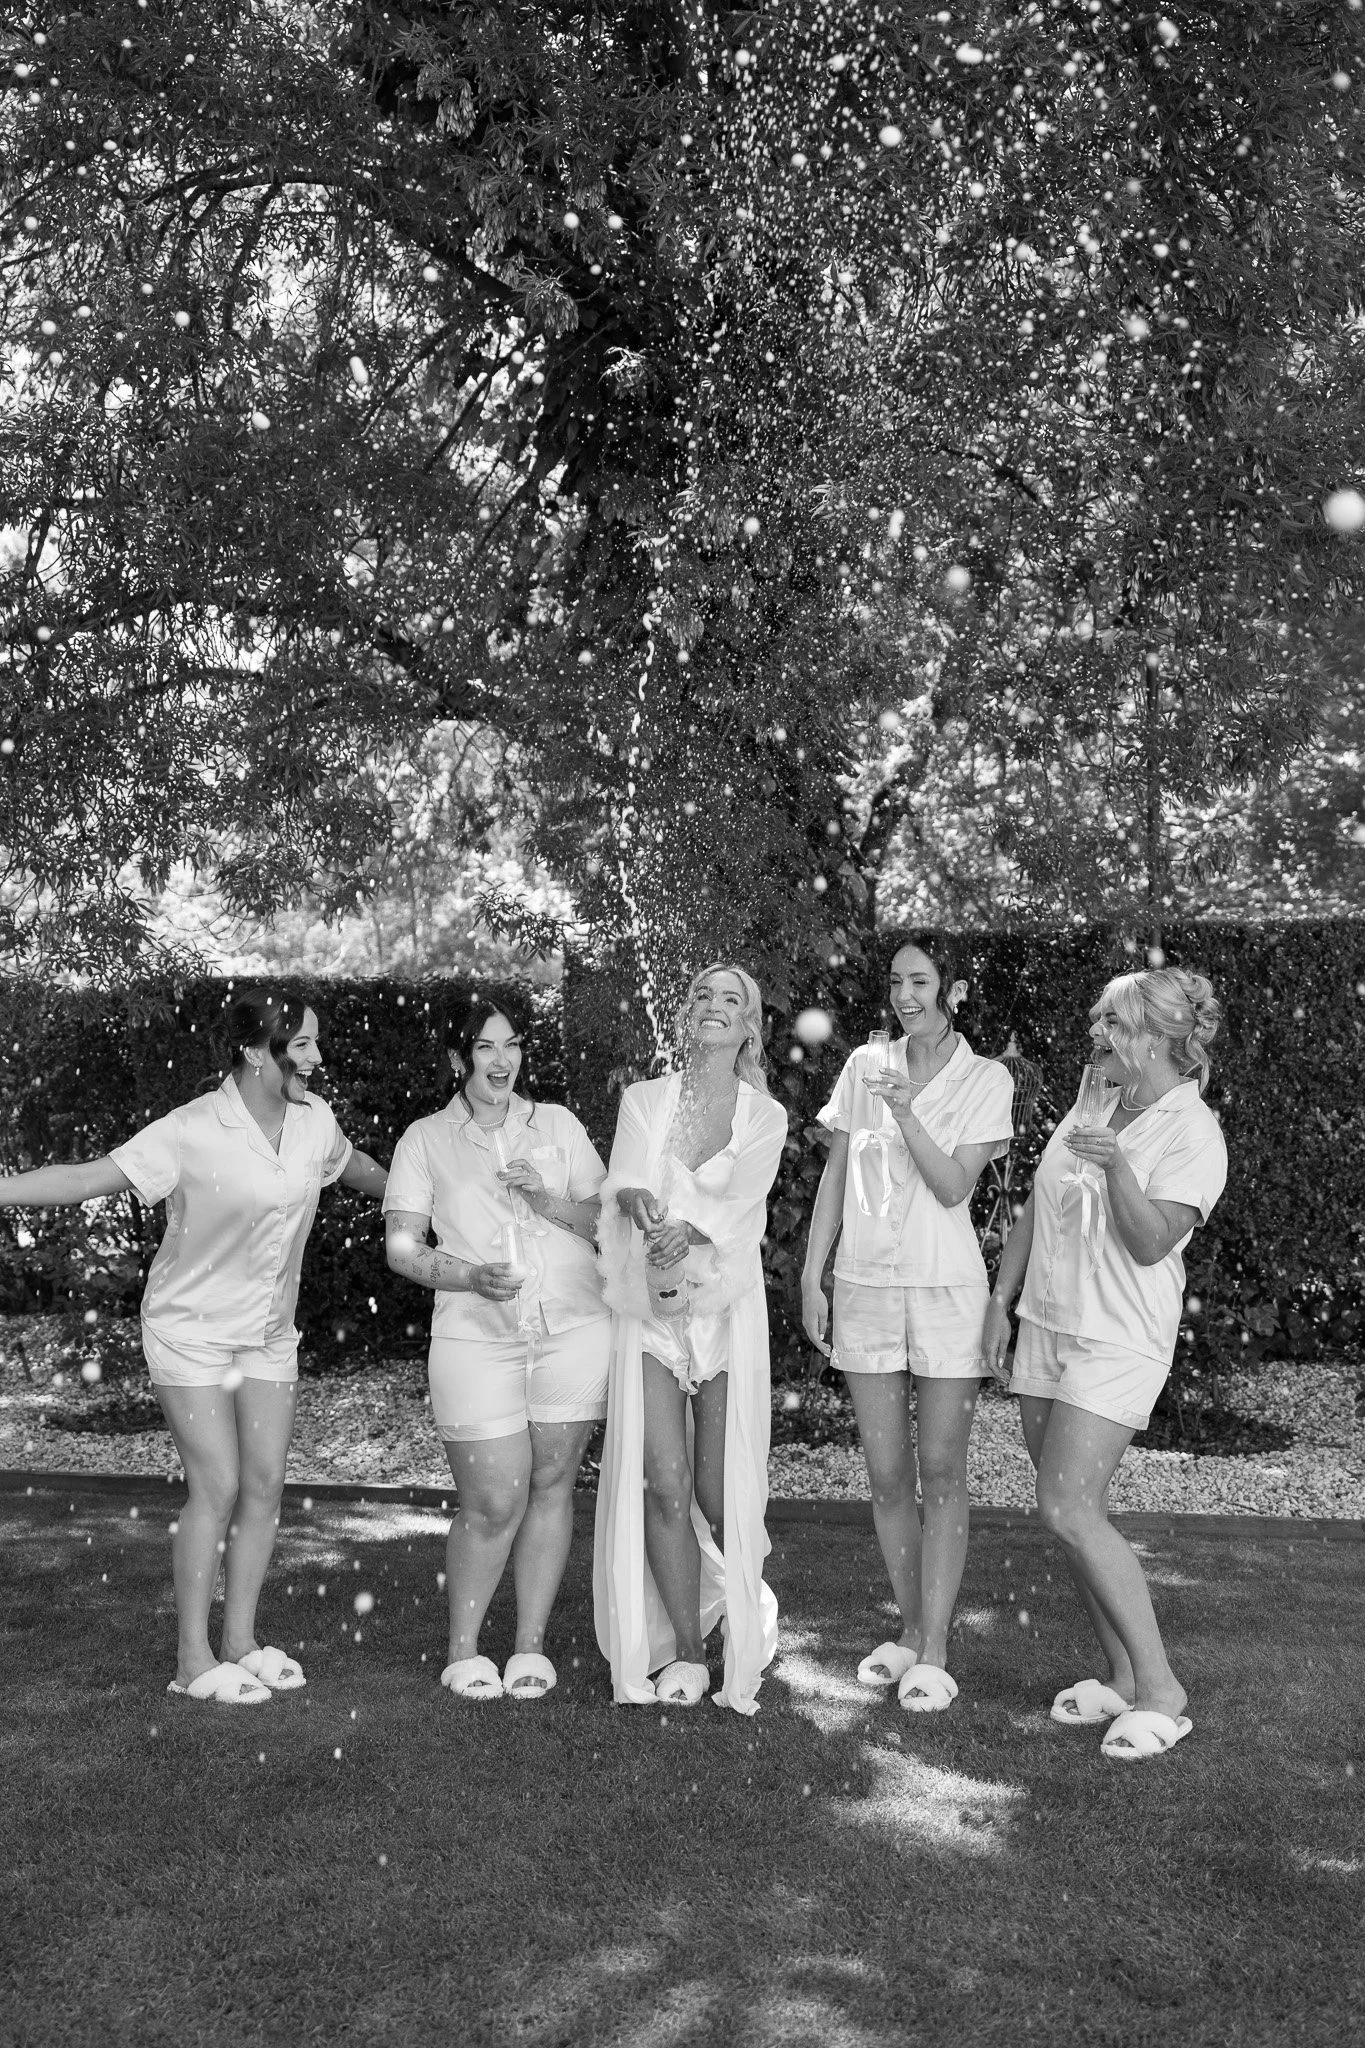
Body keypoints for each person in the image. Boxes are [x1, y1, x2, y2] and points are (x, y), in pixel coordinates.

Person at [0, 992, 388, 1704]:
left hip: (267, 1333)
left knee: (265, 1485)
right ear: (254, 1051)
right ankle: (192, 1659)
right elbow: (88, 1178)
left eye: (315, 1042)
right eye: (300, 1044)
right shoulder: (190, 1130)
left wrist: (416, 1196)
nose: (315, 1057)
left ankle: (239, 1642)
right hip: (191, 1329)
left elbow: (353, 1164)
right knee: (219, 1484)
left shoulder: (314, 1121)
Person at [983, 965, 1227, 1762]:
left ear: (1153, 1039)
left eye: (1112, 1023)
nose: (1096, 1034)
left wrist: (1116, 1162)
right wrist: (1000, 1299)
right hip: (1046, 1323)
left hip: (1117, 1335)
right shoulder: (1096, 1096)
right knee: (1069, 1512)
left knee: (1067, 1508)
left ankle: (1161, 1691)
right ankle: (1119, 1677)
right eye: (1098, 1021)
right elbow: (1039, 1202)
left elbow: (1151, 1241)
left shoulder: (1193, 1131)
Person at [802, 933, 1015, 1713]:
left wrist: (904, 1111)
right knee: (887, 1476)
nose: (904, 996)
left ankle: (936, 1650)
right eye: (895, 981)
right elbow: (836, 1171)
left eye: (920, 981)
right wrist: (812, 1273)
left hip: (946, 1293)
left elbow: (954, 1186)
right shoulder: (864, 1064)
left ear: (952, 991)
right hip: (863, 1286)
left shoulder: (985, 1079)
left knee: (943, 1472)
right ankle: (911, 1631)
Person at [384, 989, 611, 1701]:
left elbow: (605, 1221)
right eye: (485, 1046)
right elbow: (401, 1247)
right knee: (491, 1500)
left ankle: (529, 1649)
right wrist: (471, 1276)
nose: (502, 1059)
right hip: (474, 1337)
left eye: (511, 1044)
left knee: (551, 1484)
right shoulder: (425, 1139)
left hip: (573, 1328)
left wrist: (545, 1200)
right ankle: (463, 1651)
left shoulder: (559, 1125)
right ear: (460, 1058)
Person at [593, 964, 788, 1715]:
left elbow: (745, 1210)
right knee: (664, 1485)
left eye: (731, 999)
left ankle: (742, 1614)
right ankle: (687, 1651)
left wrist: (691, 1229)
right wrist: (640, 1206)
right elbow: (623, 1181)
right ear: (685, 1015)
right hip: (648, 1305)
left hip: (724, 1309)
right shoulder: (645, 1099)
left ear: (749, 1027)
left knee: (719, 1490)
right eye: (702, 995)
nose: (713, 1006)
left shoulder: (764, 1116)